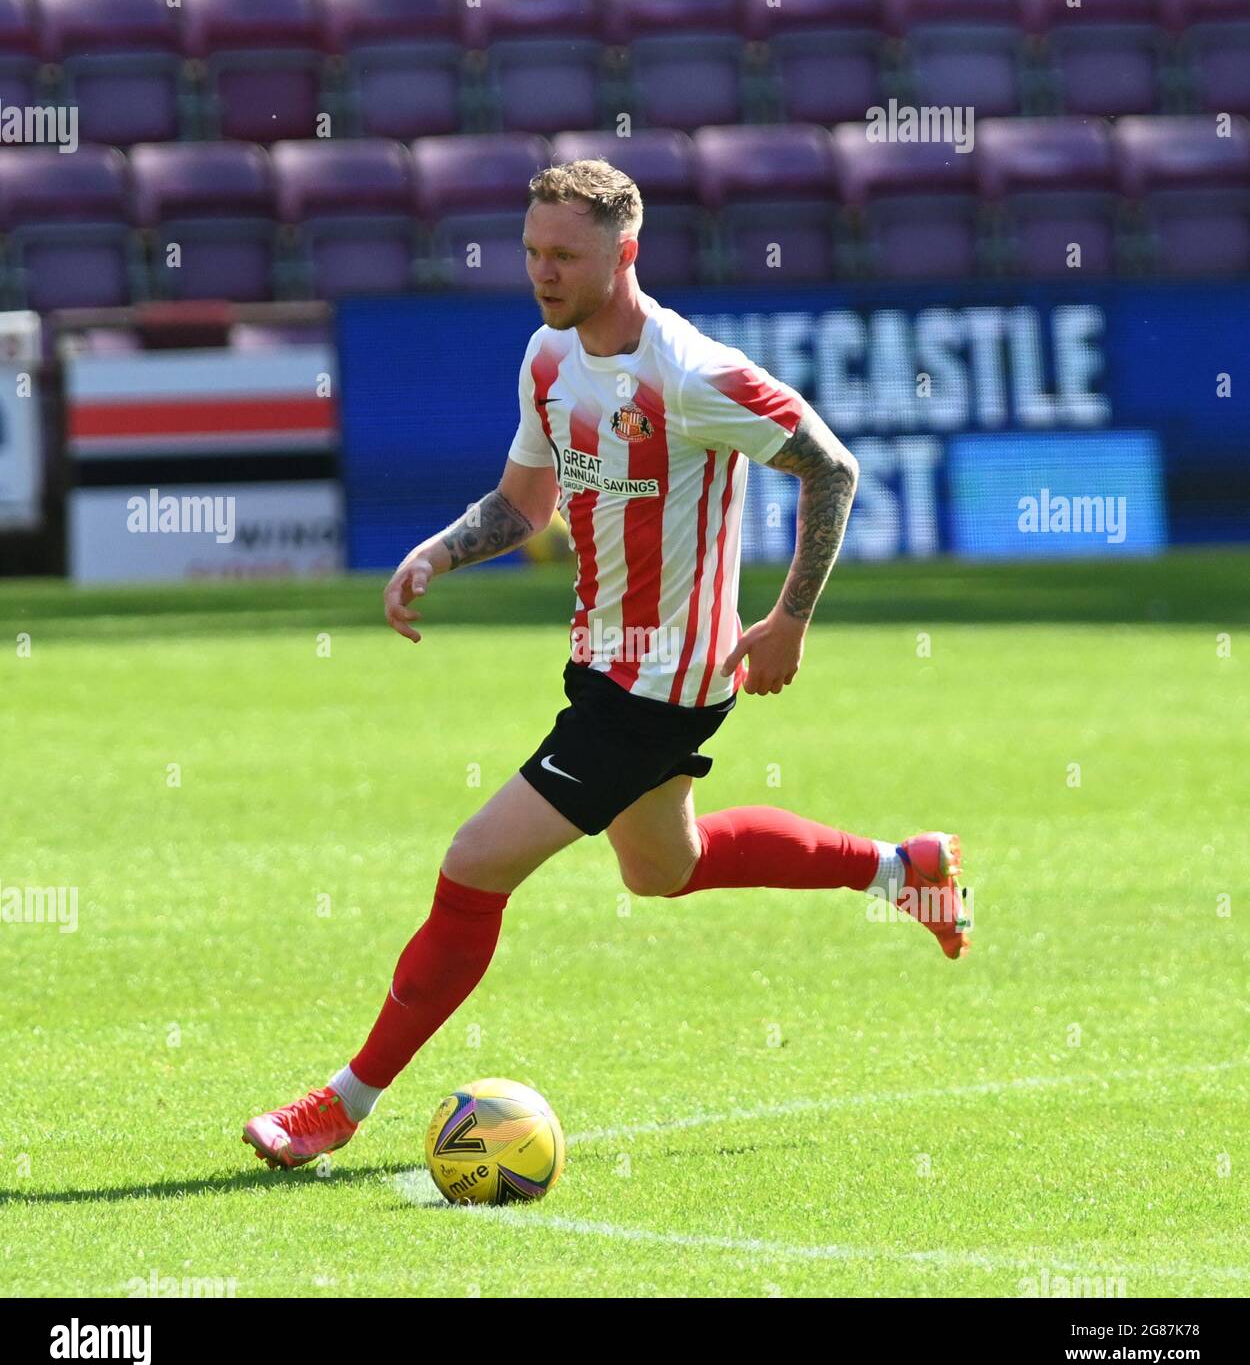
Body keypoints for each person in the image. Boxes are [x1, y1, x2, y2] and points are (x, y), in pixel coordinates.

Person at [243, 160, 971, 1171]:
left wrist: (788, 618)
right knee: (661, 868)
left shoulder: (693, 373)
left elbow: (830, 466)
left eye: (562, 255)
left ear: (622, 253)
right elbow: (524, 504)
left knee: (471, 866)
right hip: (603, 668)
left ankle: (339, 1103)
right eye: (532, 251)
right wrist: (437, 551)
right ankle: (906, 867)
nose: (541, 270)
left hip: (660, 689)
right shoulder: (547, 358)